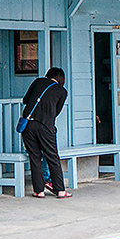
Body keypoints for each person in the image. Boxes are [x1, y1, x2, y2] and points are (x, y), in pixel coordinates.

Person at [21, 67, 71, 198]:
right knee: (52, 157)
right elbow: (56, 113)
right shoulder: (62, 91)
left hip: (29, 124)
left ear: (48, 75)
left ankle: (39, 190)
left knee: (35, 157)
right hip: (46, 126)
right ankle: (60, 190)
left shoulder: (38, 82)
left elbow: (25, 100)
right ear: (61, 78)